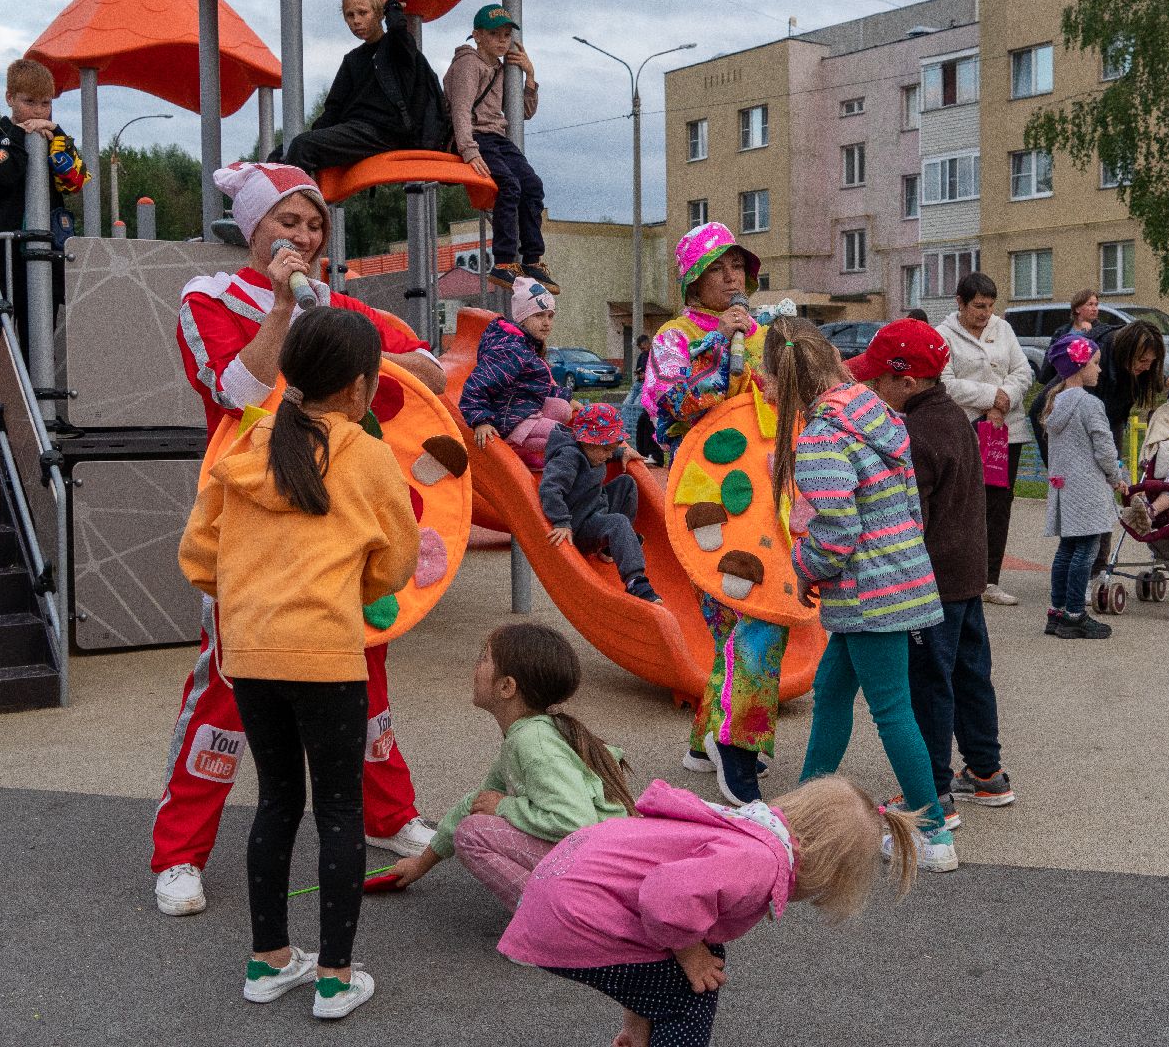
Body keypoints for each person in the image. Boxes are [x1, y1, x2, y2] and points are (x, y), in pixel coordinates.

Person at [154, 162, 444, 919]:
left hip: (339, 518)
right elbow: (237, 393)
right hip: (251, 516)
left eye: (315, 225)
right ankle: (179, 853)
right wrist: (285, 309)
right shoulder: (206, 299)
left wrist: (384, 358)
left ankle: (388, 816)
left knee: (365, 669)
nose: (306, 237)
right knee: (224, 688)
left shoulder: (342, 303)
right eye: (290, 222)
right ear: (254, 227)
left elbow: (429, 375)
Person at [178, 306, 420, 1019]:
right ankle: (337, 978)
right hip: (326, 654)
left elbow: (198, 557)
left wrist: (253, 596)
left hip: (250, 657)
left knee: (277, 803)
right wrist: (353, 592)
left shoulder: (249, 444)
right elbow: (397, 561)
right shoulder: (364, 452)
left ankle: (269, 961)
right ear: (357, 387)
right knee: (340, 810)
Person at [498, 775, 919, 1047]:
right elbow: (666, 899)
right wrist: (690, 953)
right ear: (826, 870)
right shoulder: (760, 861)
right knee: (692, 989)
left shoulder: (745, 826)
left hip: (559, 892)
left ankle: (640, 1034)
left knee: (699, 954)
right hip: (575, 917)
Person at [766, 316, 955, 872]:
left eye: (766, 379)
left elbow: (836, 531)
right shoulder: (873, 412)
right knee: (830, 690)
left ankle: (933, 833)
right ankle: (802, 810)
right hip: (895, 583)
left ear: (786, 374)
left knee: (892, 709)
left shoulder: (823, 435)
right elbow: (901, 508)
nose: (766, 391)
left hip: (866, 594)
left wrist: (803, 567)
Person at [849, 318, 1013, 828]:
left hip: (931, 581)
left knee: (928, 683)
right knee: (970, 674)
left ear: (908, 381)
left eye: (878, 381)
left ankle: (932, 791)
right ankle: (986, 771)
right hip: (967, 571)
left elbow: (908, 516)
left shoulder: (913, 434)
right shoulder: (957, 419)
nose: (873, 389)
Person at [642, 222, 782, 805]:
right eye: (719, 269)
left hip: (763, 494)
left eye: (738, 267)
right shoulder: (673, 338)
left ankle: (709, 741)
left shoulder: (763, 331)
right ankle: (736, 746)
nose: (733, 279)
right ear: (694, 280)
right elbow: (668, 408)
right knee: (743, 612)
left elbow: (790, 393)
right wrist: (720, 348)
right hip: (704, 498)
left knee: (751, 609)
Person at [387, 623, 634, 910]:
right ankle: (560, 912)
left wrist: (505, 807)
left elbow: (576, 821)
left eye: (484, 658)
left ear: (506, 687)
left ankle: (552, 920)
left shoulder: (533, 743)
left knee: (474, 834)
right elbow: (476, 801)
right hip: (600, 859)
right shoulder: (524, 735)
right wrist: (420, 864)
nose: (475, 667)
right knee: (476, 820)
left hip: (602, 867)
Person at [1032, 315, 1169, 580]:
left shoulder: (1122, 370)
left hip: (1102, 422)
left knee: (1098, 501)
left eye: (1151, 363)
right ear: (1125, 353)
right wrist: (1110, 473)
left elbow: (1105, 433)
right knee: (1090, 503)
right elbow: (1096, 440)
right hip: (1082, 429)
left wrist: (1166, 383)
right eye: (1141, 361)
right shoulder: (1093, 363)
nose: (1145, 368)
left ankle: (1091, 570)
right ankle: (1087, 574)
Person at [0, 59, 88, 361]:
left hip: (44, 250)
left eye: (45, 103)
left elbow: (76, 182)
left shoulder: (55, 137)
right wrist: (20, 139)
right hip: (0, 252)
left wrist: (54, 137)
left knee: (41, 328)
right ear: (10, 98)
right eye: (29, 101)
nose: (37, 110)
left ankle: (42, 402)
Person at [274, 0, 446, 176]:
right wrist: (301, 141)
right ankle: (294, 201)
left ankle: (295, 205)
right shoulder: (352, 59)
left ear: (379, 14)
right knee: (284, 151)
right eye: (350, 15)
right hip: (355, 132)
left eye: (363, 13)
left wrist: (391, 5)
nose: (356, 21)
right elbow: (333, 111)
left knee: (302, 146)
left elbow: (397, 27)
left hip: (386, 132)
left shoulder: (398, 47)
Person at [444, 4, 556, 293]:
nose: (503, 40)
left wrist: (530, 76)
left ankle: (532, 259)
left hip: (498, 138)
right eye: (495, 34)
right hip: (476, 137)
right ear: (477, 35)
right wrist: (469, 150)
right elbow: (460, 109)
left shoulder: (501, 69)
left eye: (506, 35)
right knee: (509, 184)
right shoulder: (468, 65)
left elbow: (523, 113)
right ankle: (504, 262)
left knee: (532, 185)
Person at [937, 271, 1033, 606]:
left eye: (990, 306)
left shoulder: (1003, 329)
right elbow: (946, 383)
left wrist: (1004, 399)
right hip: (965, 431)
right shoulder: (943, 335)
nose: (985, 313)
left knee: (998, 505)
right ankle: (963, 577)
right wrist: (991, 396)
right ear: (960, 302)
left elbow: (1023, 372)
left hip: (1005, 431)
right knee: (963, 504)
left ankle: (990, 580)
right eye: (978, 306)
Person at [1040, 334, 1127, 640]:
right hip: (1087, 489)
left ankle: (1057, 611)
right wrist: (1117, 478)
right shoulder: (1090, 404)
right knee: (1086, 551)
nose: (1100, 370)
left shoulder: (1057, 402)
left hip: (1065, 489)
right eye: (1095, 363)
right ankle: (1075, 615)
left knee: (1066, 550)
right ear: (1079, 366)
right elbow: (1104, 448)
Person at [539, 403, 661, 603]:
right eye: (606, 449)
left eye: (612, 449)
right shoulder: (568, 457)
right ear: (586, 441)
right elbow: (550, 488)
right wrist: (561, 521)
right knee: (619, 522)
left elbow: (604, 453)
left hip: (596, 507)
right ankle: (635, 583)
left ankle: (610, 548)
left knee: (626, 483)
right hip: (579, 526)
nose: (608, 455)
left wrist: (622, 453)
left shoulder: (592, 450)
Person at [459, 274, 570, 467]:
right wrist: (481, 420)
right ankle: (515, 446)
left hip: (521, 410)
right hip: (507, 420)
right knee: (566, 438)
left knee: (563, 408)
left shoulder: (526, 345)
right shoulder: (510, 350)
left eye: (550, 316)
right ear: (522, 318)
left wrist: (564, 395)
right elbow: (476, 386)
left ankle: (523, 449)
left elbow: (535, 385)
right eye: (538, 315)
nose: (546, 323)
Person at [625, 334, 663, 464]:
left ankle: (656, 456)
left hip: (654, 392)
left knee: (648, 420)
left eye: (644, 347)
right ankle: (643, 454)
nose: (643, 350)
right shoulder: (643, 356)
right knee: (642, 419)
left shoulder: (656, 355)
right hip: (647, 387)